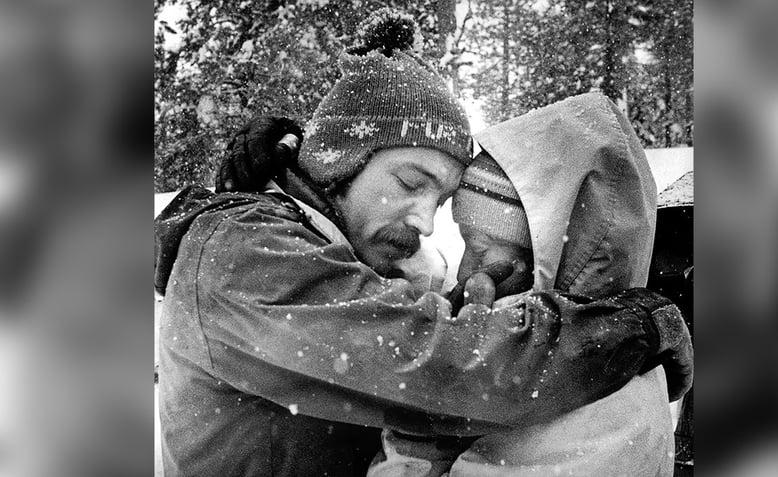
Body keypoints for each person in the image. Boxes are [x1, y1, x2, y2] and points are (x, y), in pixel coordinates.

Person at [156, 9, 692, 476]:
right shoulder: (245, 251)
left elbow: (409, 335)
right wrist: (628, 327)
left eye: (439, 202)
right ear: (338, 161)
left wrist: (464, 310)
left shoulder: (335, 253)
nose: (427, 224)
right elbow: (436, 362)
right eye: (411, 183)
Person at [368, 93, 688, 476]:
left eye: (483, 251)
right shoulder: (564, 363)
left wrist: (426, 415)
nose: (465, 271)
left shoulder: (602, 400)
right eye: (465, 245)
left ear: (545, 254)